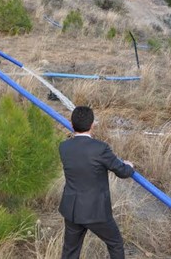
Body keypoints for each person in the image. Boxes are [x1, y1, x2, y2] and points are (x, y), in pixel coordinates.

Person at [59, 106, 134, 259]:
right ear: (92, 125)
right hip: (96, 211)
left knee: (70, 251)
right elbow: (122, 172)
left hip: (72, 210)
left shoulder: (64, 147)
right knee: (115, 243)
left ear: (71, 124)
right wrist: (129, 166)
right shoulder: (100, 149)